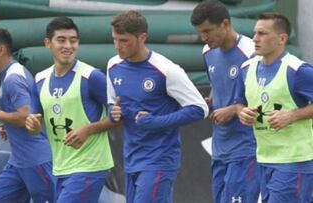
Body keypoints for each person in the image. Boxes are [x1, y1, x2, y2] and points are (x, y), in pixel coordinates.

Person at [107, 10, 209, 203]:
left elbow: (199, 109)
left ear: (142, 37)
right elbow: (113, 105)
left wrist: (155, 121)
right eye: (115, 39)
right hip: (130, 158)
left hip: (159, 159)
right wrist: (114, 113)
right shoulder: (113, 66)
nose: (117, 46)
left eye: (124, 40)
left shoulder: (166, 69)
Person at [25, 16, 115, 203]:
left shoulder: (92, 77)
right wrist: (32, 125)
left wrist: (87, 130)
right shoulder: (40, 79)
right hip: (60, 167)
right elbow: (35, 123)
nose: (68, 46)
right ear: (47, 43)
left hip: (89, 166)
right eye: (61, 40)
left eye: (73, 41)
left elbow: (118, 116)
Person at [236, 13, 313, 203]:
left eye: (262, 33)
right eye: (255, 33)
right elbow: (239, 102)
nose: (255, 39)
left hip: (294, 161)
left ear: (282, 38)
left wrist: (292, 115)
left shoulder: (298, 70)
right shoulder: (246, 68)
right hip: (263, 158)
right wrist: (241, 112)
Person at [190, 1, 260, 202]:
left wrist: (231, 109)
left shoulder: (251, 53)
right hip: (220, 147)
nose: (204, 37)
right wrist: (211, 99)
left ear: (225, 24)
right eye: (200, 32)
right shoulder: (207, 51)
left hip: (247, 147)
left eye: (208, 31)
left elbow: (266, 99)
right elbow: (219, 83)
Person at [0, 29, 55, 203]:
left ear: (1, 50)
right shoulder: (9, 75)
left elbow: (26, 116)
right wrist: (8, 125)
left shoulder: (14, 78)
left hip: (36, 160)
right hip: (18, 161)